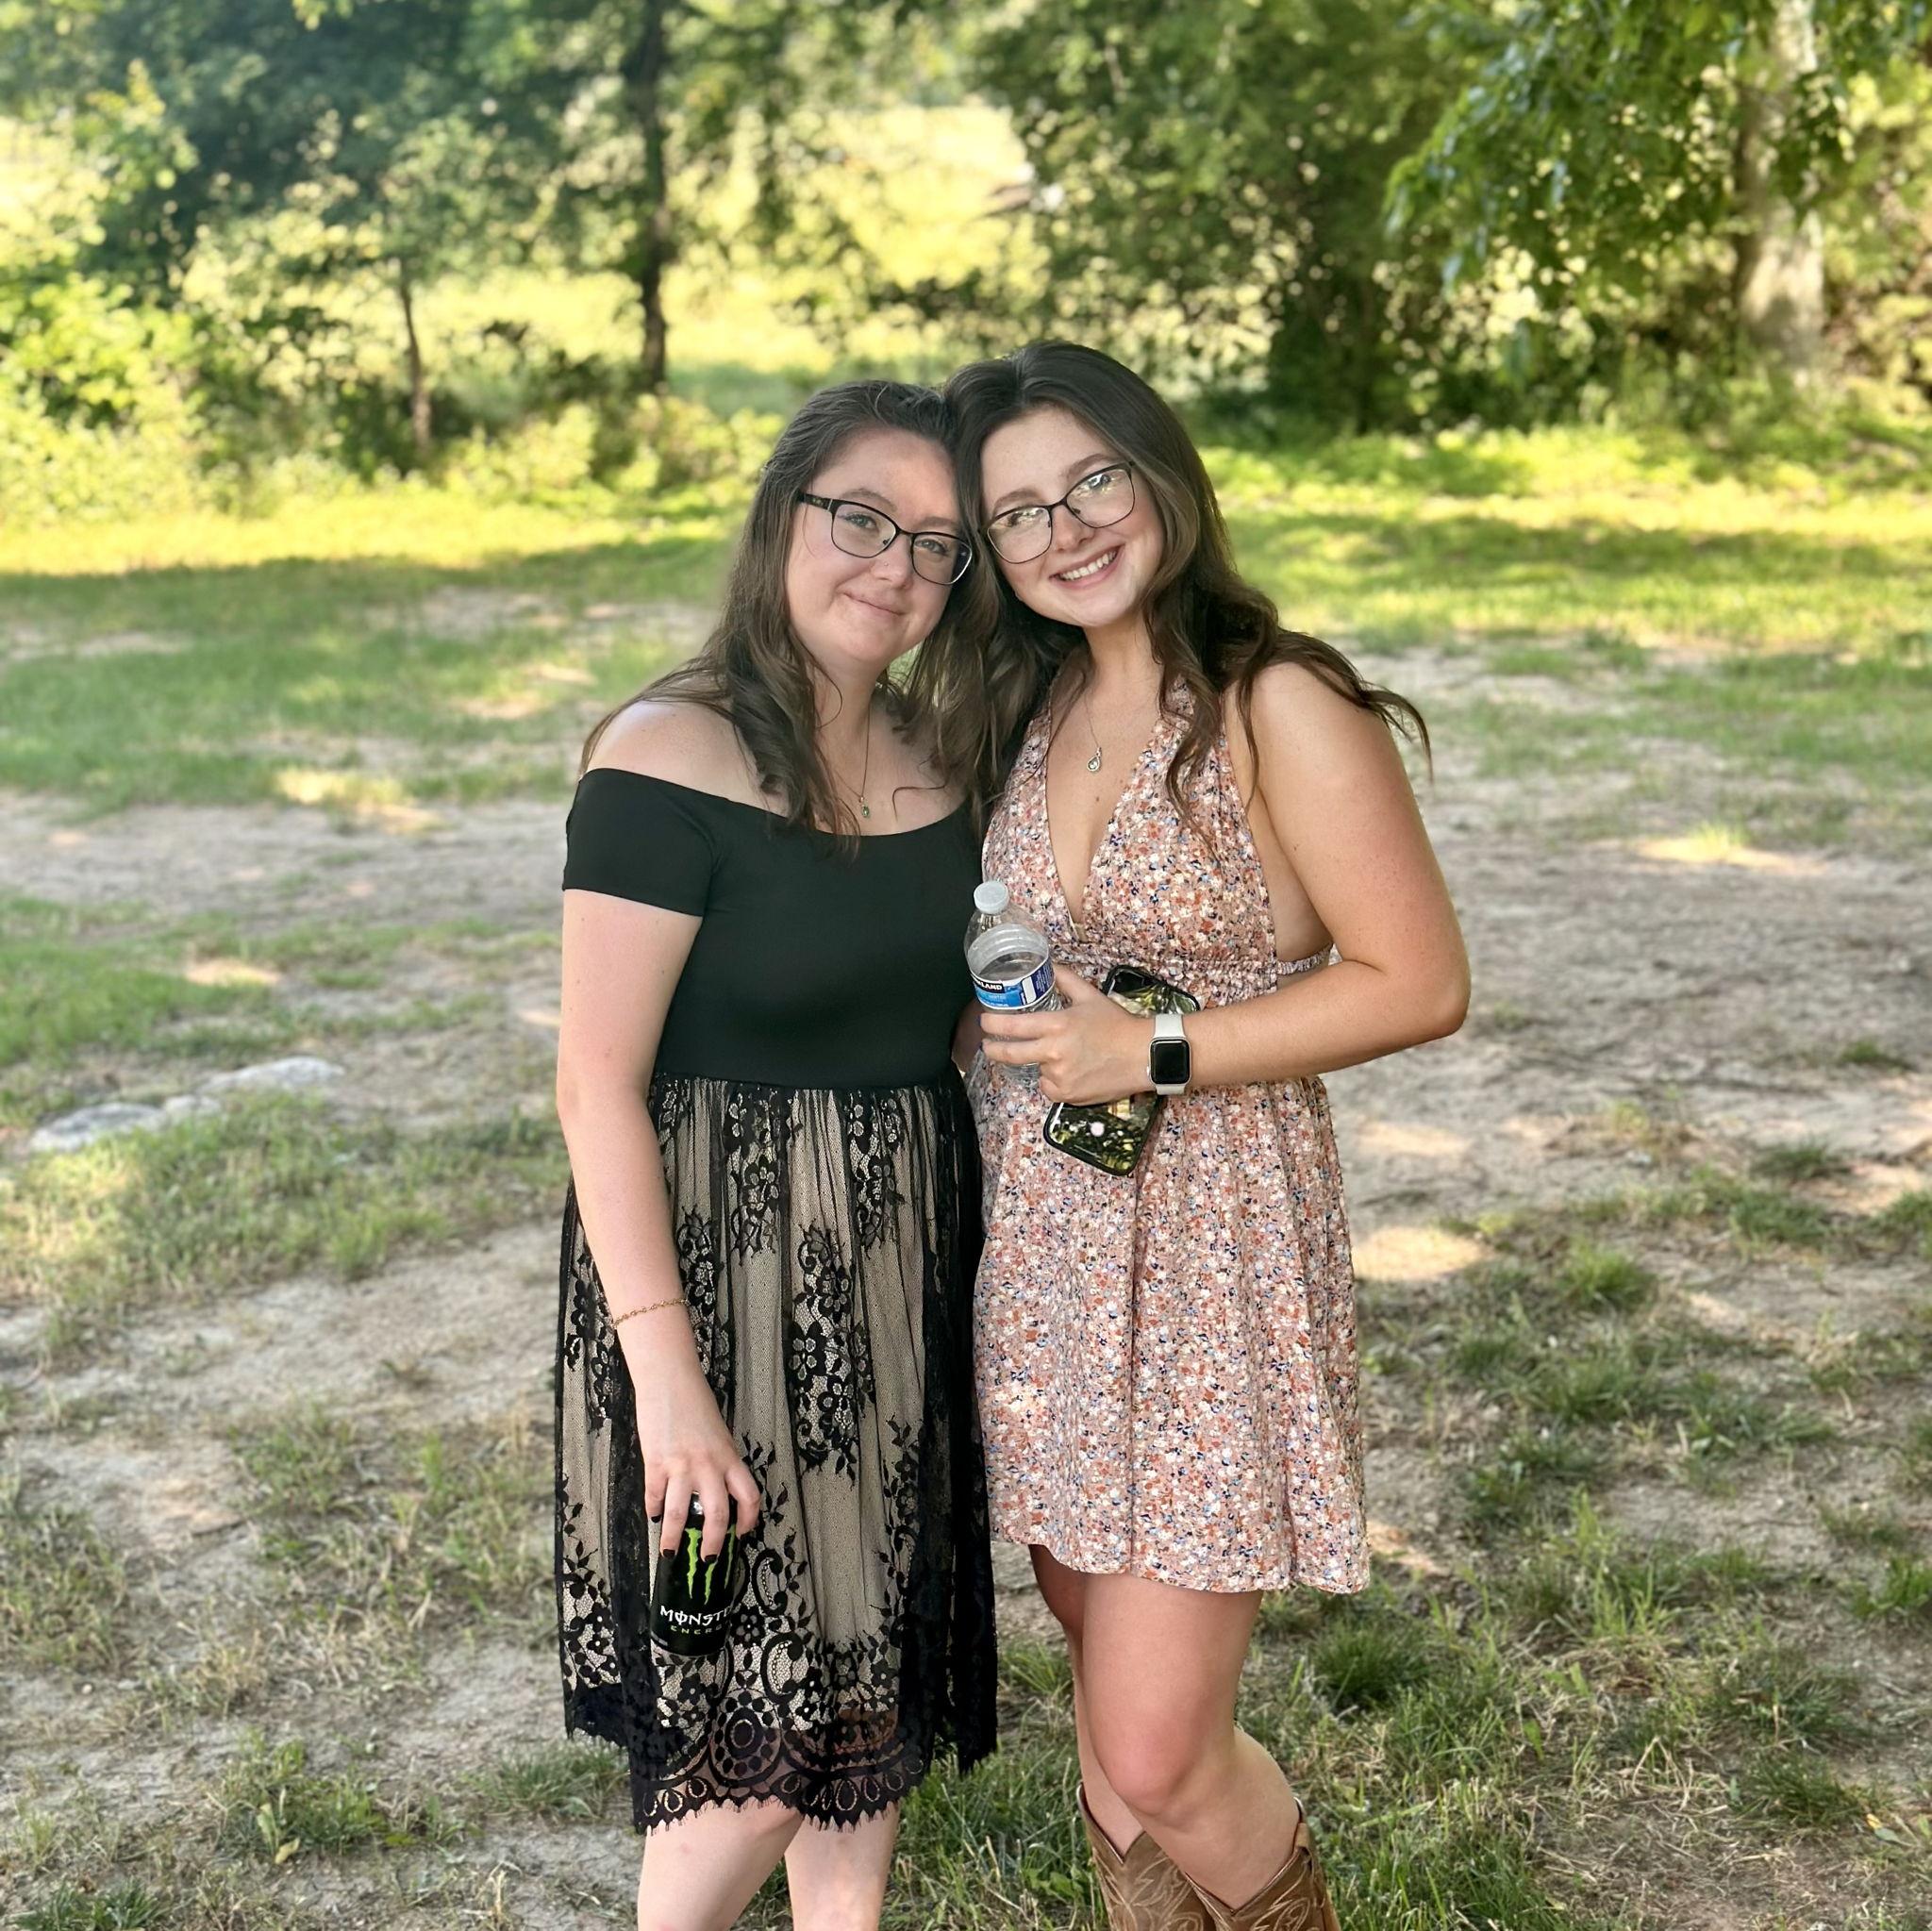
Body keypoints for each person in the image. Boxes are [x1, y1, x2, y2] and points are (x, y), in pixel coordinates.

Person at [943, 341, 1469, 1931]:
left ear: (1160, 472)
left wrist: (1151, 1047)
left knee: (1159, 1747)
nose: (1067, 531)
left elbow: (1419, 981)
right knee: (1108, 1697)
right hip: (1047, 1246)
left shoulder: (1274, 702)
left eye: (1092, 480)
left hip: (1213, 1247)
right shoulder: (1028, 709)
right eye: (1020, 512)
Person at [552, 380, 998, 1931]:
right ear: (781, 518)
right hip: (718, 1282)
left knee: (860, 1685)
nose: (896, 566)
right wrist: (666, 1381)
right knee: (756, 1738)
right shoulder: (663, 756)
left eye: (937, 543)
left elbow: (946, 1027)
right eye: (863, 519)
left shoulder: (948, 759)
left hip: (894, 1266)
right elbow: (595, 1085)